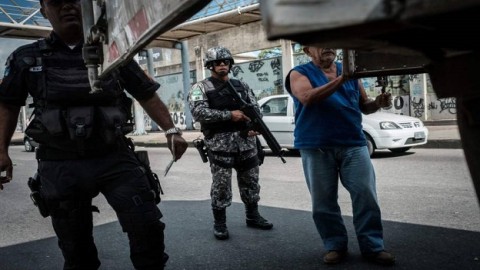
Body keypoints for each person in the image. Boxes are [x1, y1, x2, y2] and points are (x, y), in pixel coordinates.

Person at [0, 0, 188, 269]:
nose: (67, 7)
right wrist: (1, 151)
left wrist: (171, 130)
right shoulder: (26, 58)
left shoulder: (113, 51)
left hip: (114, 157)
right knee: (76, 250)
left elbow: (145, 93)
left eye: (75, 0)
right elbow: (7, 103)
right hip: (60, 163)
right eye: (56, 2)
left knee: (147, 228)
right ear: (44, 11)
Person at [286, 46, 395, 265]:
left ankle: (373, 246)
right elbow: (307, 97)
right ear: (308, 50)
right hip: (316, 146)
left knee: (366, 195)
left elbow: (364, 106)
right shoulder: (299, 73)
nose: (328, 46)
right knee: (323, 202)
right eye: (321, 42)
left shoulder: (349, 74)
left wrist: (377, 103)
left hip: (353, 143)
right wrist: (343, 79)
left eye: (331, 41)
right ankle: (335, 245)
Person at [188, 46, 273, 240]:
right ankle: (220, 223)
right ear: (210, 65)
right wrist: (229, 115)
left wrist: (253, 126)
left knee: (251, 182)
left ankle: (253, 216)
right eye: (217, 63)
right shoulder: (200, 87)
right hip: (220, 146)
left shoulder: (241, 85)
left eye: (225, 62)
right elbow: (198, 112)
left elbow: (255, 109)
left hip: (246, 143)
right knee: (221, 186)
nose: (222, 65)